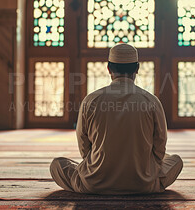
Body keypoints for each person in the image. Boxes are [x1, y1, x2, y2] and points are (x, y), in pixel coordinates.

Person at [50, 43, 183, 194]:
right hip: (144, 184)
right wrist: (147, 168)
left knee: (57, 164)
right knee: (175, 160)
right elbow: (159, 146)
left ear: (108, 69)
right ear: (137, 69)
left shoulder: (91, 100)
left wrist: (100, 162)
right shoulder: (151, 101)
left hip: (94, 184)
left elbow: (84, 146)